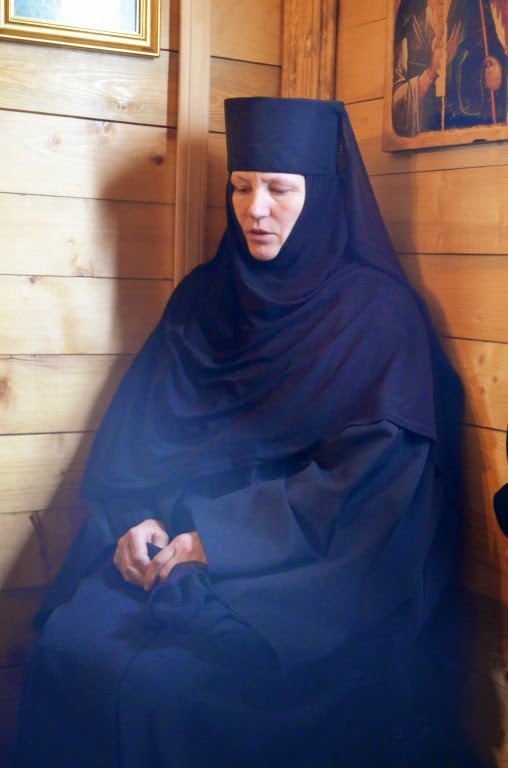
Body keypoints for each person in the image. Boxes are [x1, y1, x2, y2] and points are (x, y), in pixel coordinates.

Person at [14, 97, 478, 767]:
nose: (255, 208)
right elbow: (139, 440)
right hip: (171, 554)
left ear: (321, 195)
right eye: (241, 186)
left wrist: (218, 541)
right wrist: (135, 520)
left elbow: (366, 487)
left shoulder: (378, 316)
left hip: (295, 576)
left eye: (280, 189)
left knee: (166, 689)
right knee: (68, 647)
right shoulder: (204, 296)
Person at [392, 0, 506, 137]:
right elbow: (398, 110)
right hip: (428, 138)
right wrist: (430, 73)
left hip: (469, 130)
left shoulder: (473, 5)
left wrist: (498, 71)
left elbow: (493, 50)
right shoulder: (411, 13)